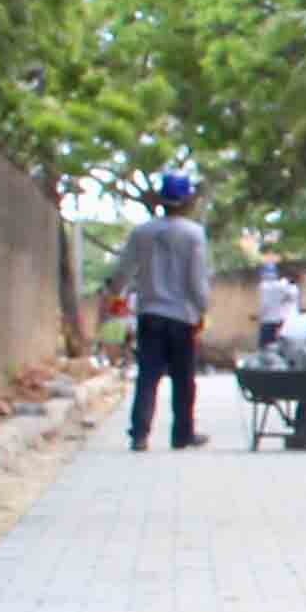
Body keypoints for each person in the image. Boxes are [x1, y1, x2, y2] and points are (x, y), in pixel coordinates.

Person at [117, 171, 210, 452]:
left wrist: (113, 293)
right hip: (182, 317)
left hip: (150, 314)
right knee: (184, 378)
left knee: (148, 375)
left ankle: (140, 434)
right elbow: (196, 279)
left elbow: (124, 270)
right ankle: (182, 434)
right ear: (187, 201)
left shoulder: (142, 232)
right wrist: (203, 309)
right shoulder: (194, 234)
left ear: (161, 200)